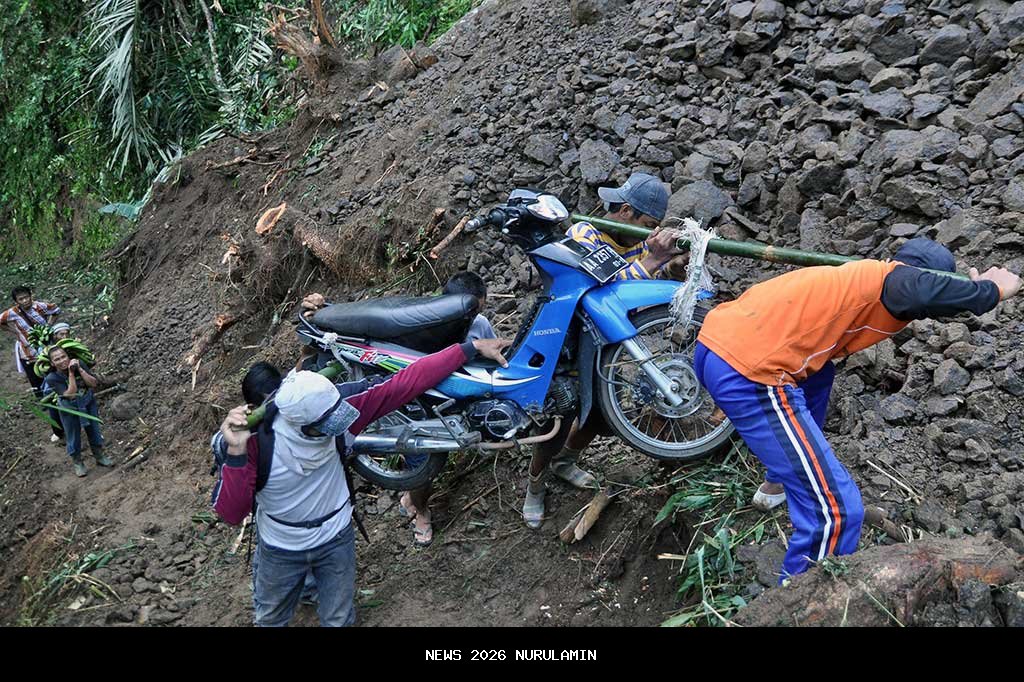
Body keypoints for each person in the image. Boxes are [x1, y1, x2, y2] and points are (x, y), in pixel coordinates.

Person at [694, 237, 1020, 580]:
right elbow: (916, 288)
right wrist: (992, 291)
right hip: (748, 372)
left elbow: (924, 296)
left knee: (819, 375)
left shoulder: (861, 277)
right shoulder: (896, 282)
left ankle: (779, 484)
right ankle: (799, 599)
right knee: (837, 513)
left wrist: (966, 291)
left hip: (716, 345)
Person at [210, 337, 512, 626]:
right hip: (281, 548)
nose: (340, 425)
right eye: (327, 425)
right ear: (298, 423)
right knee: (271, 619)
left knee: (339, 619)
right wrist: (235, 454)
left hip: (335, 538)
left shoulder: (343, 409)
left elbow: (408, 380)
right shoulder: (254, 445)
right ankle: (305, 590)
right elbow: (231, 513)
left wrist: (471, 348)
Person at [521, 172, 689, 528]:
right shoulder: (584, 235)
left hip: (603, 343)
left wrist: (672, 266)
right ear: (626, 211)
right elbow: (601, 294)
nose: (649, 233)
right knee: (559, 415)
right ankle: (535, 484)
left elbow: (643, 287)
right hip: (564, 340)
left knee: (600, 415)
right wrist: (652, 260)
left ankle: (565, 461)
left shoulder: (636, 242)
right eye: (647, 224)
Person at [398, 271, 498, 547]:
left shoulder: (480, 324)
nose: (469, 318)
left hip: (458, 401)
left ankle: (411, 500)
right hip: (422, 402)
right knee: (424, 466)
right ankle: (421, 511)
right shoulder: (423, 326)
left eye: (476, 311)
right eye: (466, 312)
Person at [1, 286, 64, 442]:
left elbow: (56, 309)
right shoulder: (12, 313)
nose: (25, 301)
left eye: (26, 297)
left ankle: (60, 416)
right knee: (38, 387)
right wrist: (14, 331)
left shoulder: (40, 306)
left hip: (46, 353)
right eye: (20, 299)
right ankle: (53, 420)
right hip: (28, 354)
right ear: (16, 301)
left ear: (31, 296)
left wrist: (49, 325)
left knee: (52, 385)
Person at [42, 346, 112, 477]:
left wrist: (79, 369)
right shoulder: (52, 378)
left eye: (63, 356)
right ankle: (78, 462)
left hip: (87, 402)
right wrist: (71, 373)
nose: (62, 361)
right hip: (70, 408)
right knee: (73, 435)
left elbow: (93, 383)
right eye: (57, 359)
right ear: (52, 363)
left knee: (94, 429)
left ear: (68, 356)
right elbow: (70, 394)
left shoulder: (79, 364)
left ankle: (99, 456)